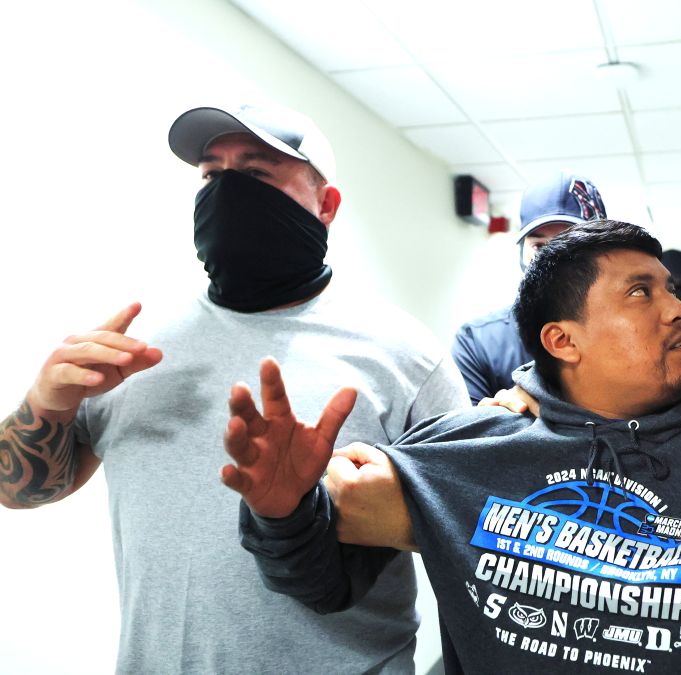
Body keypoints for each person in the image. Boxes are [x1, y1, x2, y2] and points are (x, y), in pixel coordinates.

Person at [221, 222, 681, 674]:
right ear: (563, 339)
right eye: (641, 292)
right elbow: (323, 581)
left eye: (675, 289)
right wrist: (284, 511)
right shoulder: (467, 448)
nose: (679, 308)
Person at [0, 103, 468, 673]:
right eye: (212, 175)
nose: (227, 193)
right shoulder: (135, 342)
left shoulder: (404, 356)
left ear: (326, 204)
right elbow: (22, 491)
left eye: (255, 174)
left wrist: (310, 510)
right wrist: (46, 404)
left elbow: (462, 541)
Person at [452, 171, 606, 404]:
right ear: (522, 252)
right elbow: (458, 434)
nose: (553, 259)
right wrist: (494, 420)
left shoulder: (632, 331)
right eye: (539, 246)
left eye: (571, 245)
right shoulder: (479, 341)